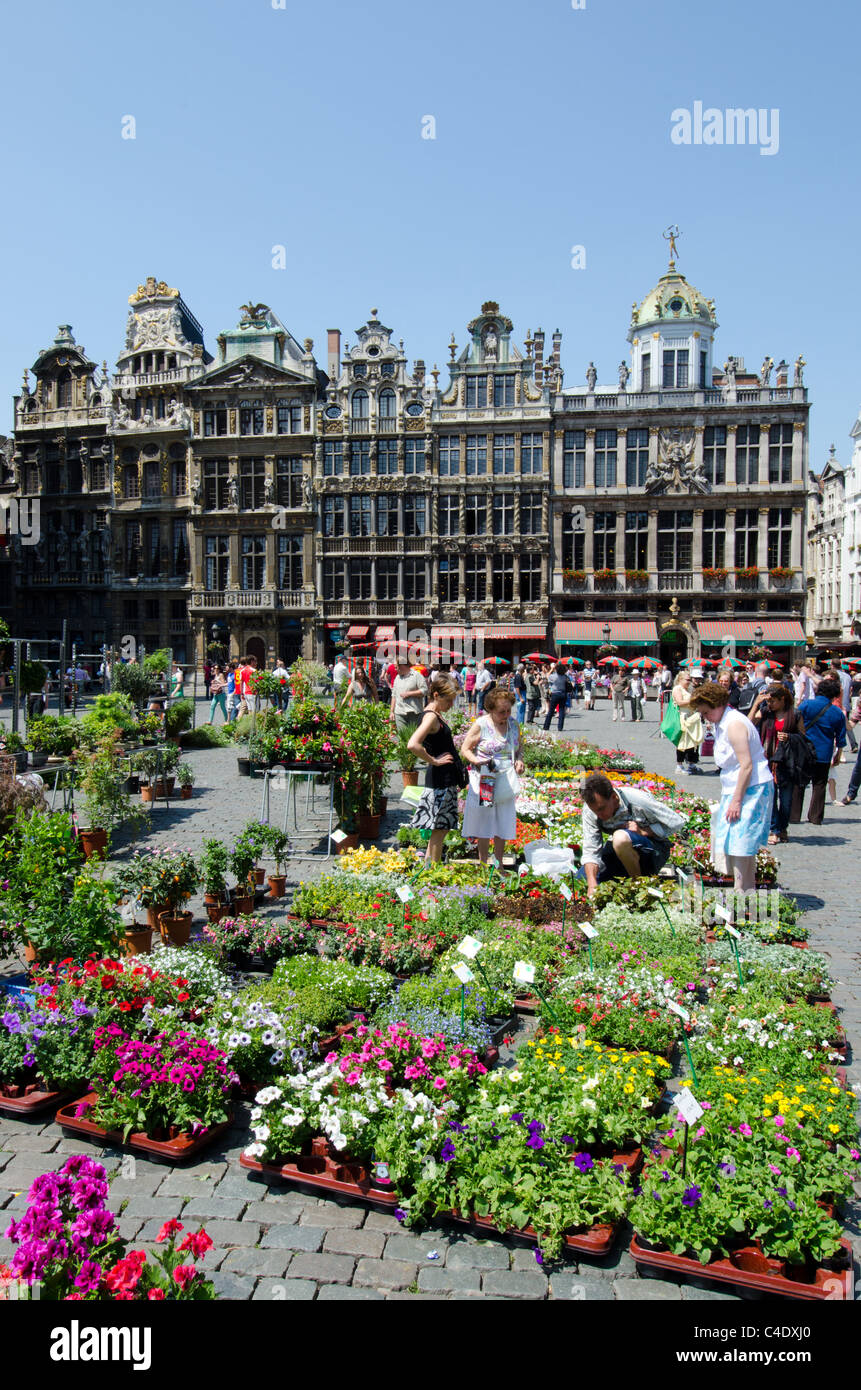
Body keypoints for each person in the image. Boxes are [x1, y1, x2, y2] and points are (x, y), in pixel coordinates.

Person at [688, 680, 775, 893]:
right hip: (737, 786)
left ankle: (742, 889)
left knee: (741, 841)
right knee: (734, 840)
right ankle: (745, 888)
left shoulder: (734, 724)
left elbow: (746, 766)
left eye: (706, 712)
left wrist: (737, 799)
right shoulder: (723, 722)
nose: (705, 717)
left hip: (751, 787)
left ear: (718, 705)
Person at [581, 771, 688, 897]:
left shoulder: (637, 800)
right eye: (594, 811)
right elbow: (591, 849)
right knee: (582, 878)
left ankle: (638, 886)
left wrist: (645, 831)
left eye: (601, 809)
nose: (599, 815)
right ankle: (625, 877)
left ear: (614, 797)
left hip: (653, 850)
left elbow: (676, 822)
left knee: (620, 838)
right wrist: (592, 883)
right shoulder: (591, 810)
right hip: (623, 852)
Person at [460, 687, 525, 864]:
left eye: (508, 710)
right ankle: (482, 864)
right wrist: (476, 760)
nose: (505, 715)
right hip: (486, 778)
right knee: (484, 822)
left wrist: (519, 760)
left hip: (506, 778)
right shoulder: (482, 724)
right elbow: (465, 748)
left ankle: (498, 864)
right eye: (501, 712)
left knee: (503, 821)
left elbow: (519, 748)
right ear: (490, 710)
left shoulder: (513, 724)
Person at [407, 675, 463, 862]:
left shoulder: (433, 715)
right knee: (440, 828)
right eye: (449, 700)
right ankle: (435, 870)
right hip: (441, 778)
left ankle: (429, 867)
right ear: (436, 695)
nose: (451, 705)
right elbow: (413, 744)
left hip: (443, 777)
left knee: (440, 827)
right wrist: (434, 760)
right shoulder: (431, 716)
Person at [750, 682, 804, 844]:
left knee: (786, 801)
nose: (770, 704)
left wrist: (789, 737)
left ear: (782, 700)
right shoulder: (766, 712)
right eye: (768, 701)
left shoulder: (795, 714)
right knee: (771, 798)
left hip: (787, 762)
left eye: (772, 701)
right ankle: (775, 829)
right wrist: (756, 704)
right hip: (768, 760)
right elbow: (749, 723)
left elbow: (803, 737)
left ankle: (783, 827)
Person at [793, 675, 847, 825]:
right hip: (824, 752)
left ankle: (794, 815)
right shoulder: (837, 713)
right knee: (820, 784)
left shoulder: (806, 705)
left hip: (804, 750)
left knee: (799, 783)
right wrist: (838, 755)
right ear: (835, 695)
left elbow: (795, 723)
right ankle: (815, 817)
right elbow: (841, 738)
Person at [672, 670, 703, 774]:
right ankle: (679, 766)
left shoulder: (687, 689)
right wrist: (694, 700)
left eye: (690, 680)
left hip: (691, 718)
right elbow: (680, 702)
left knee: (693, 742)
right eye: (687, 680)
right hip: (683, 718)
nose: (689, 682)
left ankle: (691, 764)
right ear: (680, 679)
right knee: (682, 742)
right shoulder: (677, 688)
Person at [390, 657, 428, 738]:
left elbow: (425, 690)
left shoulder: (417, 675)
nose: (395, 669)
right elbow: (394, 695)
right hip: (399, 712)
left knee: (414, 737)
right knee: (402, 738)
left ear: (402, 665)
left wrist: (410, 693)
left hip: (414, 712)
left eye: (396, 667)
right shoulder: (397, 677)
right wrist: (392, 711)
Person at [831, 661, 858, 754]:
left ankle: (839, 748)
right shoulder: (847, 676)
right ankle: (853, 744)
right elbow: (850, 689)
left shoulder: (833, 675)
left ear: (832, 666)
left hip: (837, 703)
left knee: (837, 726)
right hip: (846, 703)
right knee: (846, 725)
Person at [542, 661, 570, 732]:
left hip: (555, 694)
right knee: (561, 711)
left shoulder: (553, 676)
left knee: (551, 711)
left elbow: (547, 676)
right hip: (563, 694)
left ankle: (546, 726)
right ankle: (560, 727)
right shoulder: (565, 677)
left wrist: (552, 669)